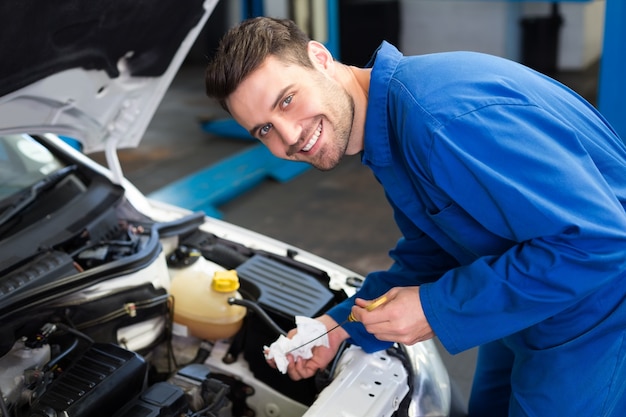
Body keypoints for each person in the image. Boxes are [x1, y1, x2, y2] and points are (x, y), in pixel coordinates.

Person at [204, 16, 626, 417]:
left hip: (597, 310)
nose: (289, 136)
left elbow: (601, 241)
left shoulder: (439, 121)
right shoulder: (389, 129)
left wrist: (436, 307)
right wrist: (339, 326)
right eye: (263, 130)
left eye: (288, 100)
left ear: (320, 57)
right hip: (524, 291)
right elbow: (436, 250)